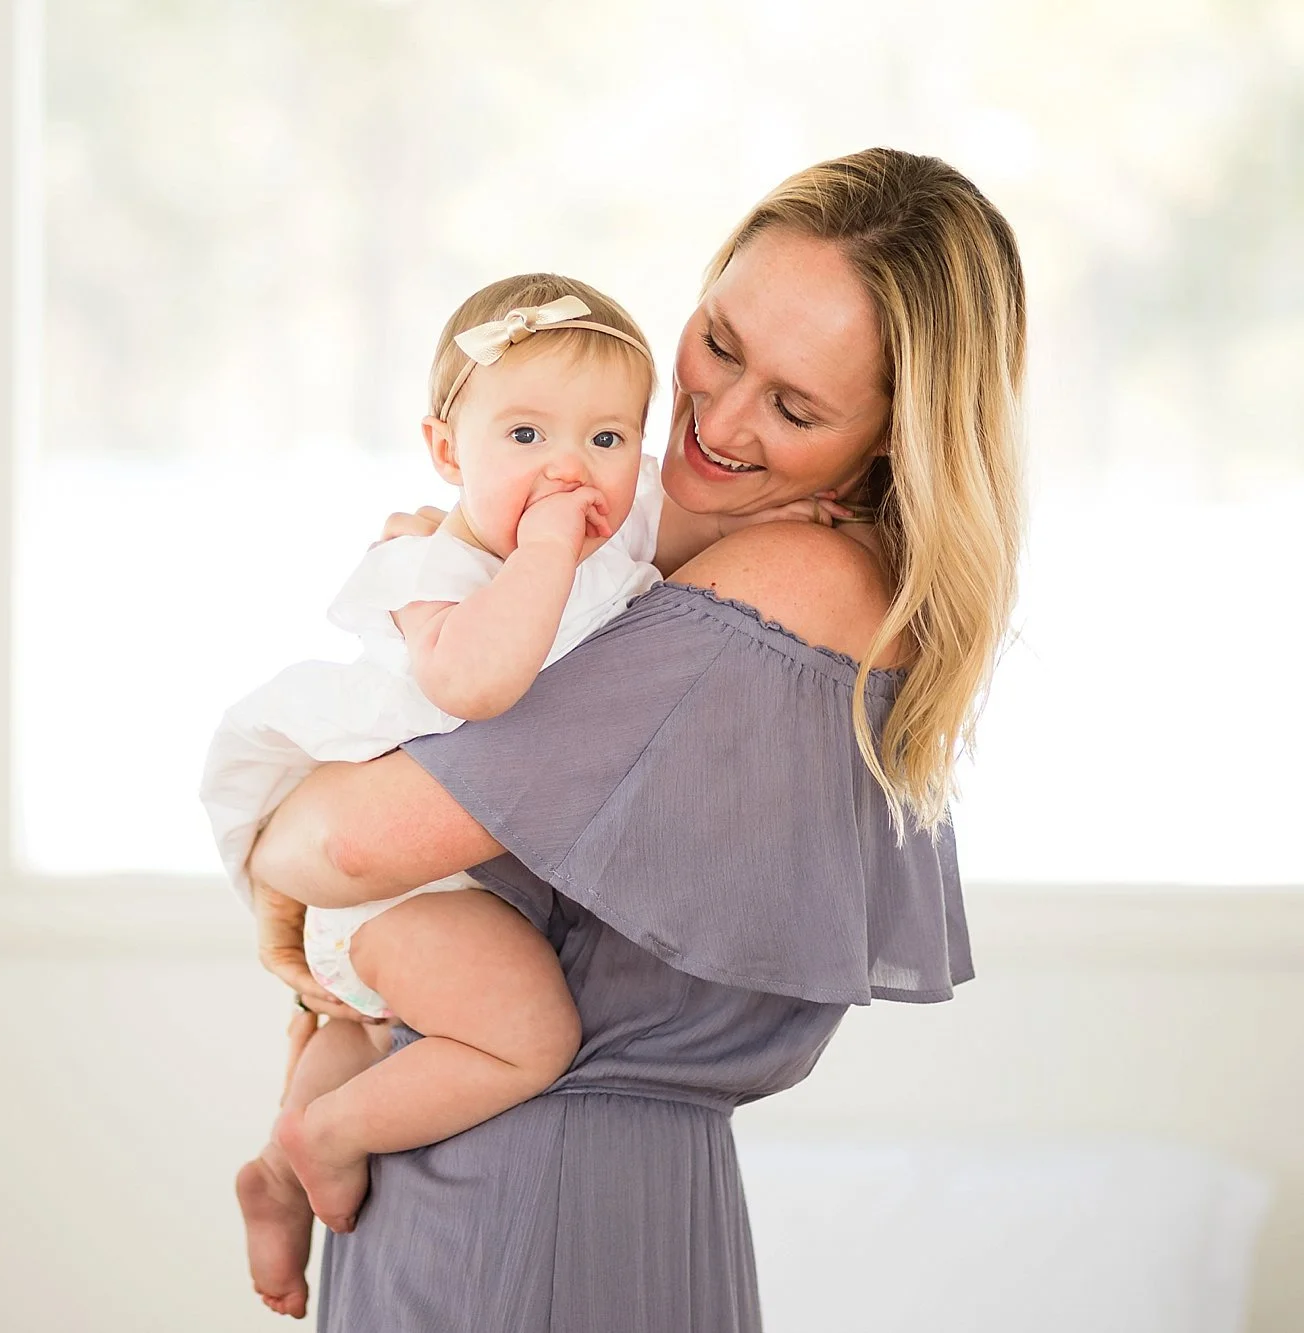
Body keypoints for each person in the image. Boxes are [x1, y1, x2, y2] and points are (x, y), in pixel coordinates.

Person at [245, 146, 1026, 1332]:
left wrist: (274, 867)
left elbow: (333, 847)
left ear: (890, 440)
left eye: (797, 405)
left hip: (533, 1208)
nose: (714, 417)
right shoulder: (680, 560)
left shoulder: (786, 586)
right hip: (509, 1178)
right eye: (718, 343)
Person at [203, 274, 844, 1317]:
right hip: (404, 895)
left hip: (446, 883)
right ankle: (323, 1134)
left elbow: (689, 547)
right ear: (447, 450)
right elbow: (476, 684)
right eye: (525, 434)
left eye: (604, 439)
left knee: (366, 1034)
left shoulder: (607, 523)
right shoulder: (428, 566)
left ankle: (277, 1173)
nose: (567, 468)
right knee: (524, 1034)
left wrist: (787, 506)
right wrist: (545, 548)